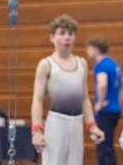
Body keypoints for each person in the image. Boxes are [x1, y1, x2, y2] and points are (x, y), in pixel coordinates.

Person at [31, 14, 104, 164]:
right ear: (52, 37)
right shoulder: (46, 65)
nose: (67, 38)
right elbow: (37, 100)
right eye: (62, 33)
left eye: (71, 34)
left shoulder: (81, 63)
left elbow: (84, 98)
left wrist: (92, 125)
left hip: (76, 124)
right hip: (56, 123)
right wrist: (37, 131)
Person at [86, 36, 123, 165]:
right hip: (115, 109)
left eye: (89, 47)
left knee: (103, 146)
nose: (87, 51)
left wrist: (99, 103)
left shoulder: (101, 65)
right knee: (108, 144)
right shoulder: (114, 64)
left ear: (96, 48)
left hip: (105, 110)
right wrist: (118, 102)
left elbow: (102, 84)